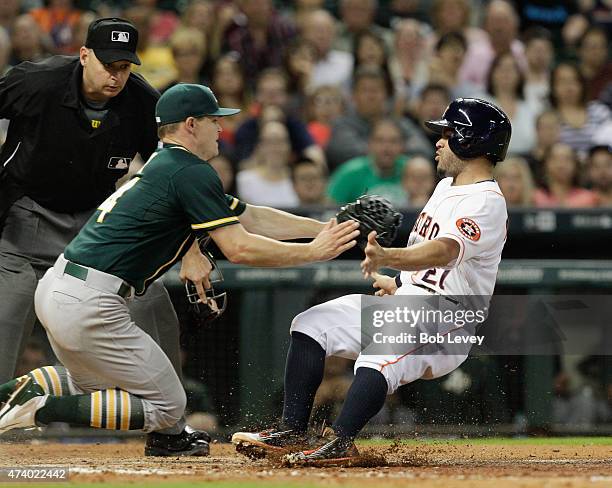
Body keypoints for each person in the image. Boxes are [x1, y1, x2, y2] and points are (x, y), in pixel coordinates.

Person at [0, 84, 360, 454]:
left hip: (64, 288)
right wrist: (314, 252)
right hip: (91, 302)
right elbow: (238, 248)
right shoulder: (189, 170)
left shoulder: (169, 164)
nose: (221, 128)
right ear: (190, 124)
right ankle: (39, 408)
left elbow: (251, 216)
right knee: (168, 407)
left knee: (89, 385)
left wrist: (322, 229)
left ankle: (13, 394)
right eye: (213, 120)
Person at [231, 97, 511, 464]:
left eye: (447, 133)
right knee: (311, 325)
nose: (438, 141)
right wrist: (401, 281)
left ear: (470, 140)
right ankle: (292, 429)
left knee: (377, 358)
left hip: (447, 322)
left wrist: (388, 256)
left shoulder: (487, 200)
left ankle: (341, 441)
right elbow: (430, 261)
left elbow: (444, 251)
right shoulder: (447, 187)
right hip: (412, 304)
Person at [0, 17, 216, 455]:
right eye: (108, 65)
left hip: (94, 229)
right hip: (27, 217)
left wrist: (193, 249)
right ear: (84, 56)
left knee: (155, 304)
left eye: (125, 66)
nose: (116, 75)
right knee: (6, 318)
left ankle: (169, 428)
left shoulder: (140, 101)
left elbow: (174, 176)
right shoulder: (36, 81)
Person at [327, 118, 410, 206]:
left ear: (402, 145)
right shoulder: (351, 172)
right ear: (369, 144)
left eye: (393, 141)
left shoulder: (412, 170)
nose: (387, 147)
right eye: (380, 140)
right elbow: (329, 209)